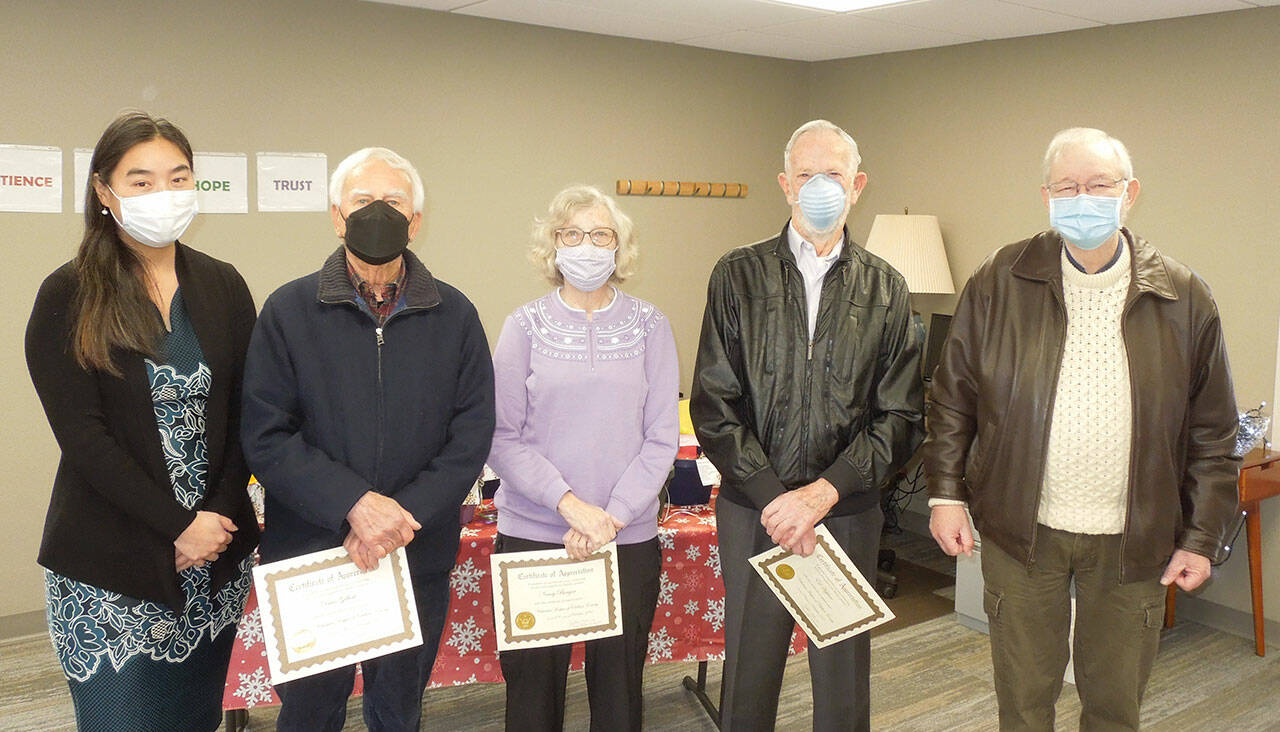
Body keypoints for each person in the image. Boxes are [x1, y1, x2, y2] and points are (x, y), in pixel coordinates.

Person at [923, 127, 1240, 730]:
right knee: (1021, 701)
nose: (1083, 198)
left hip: (1132, 541)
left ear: (1131, 193)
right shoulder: (999, 280)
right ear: (1047, 196)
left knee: (1115, 706)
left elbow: (1212, 435)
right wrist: (945, 495)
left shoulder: (1183, 296)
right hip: (1022, 531)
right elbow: (952, 400)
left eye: (1099, 185)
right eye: (1068, 187)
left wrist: (1201, 536)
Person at [240, 147, 495, 731]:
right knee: (309, 711)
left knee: (399, 708)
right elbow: (266, 432)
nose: (377, 212)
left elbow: (471, 434)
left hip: (415, 548)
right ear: (336, 216)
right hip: (313, 551)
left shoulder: (455, 315)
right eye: (362, 201)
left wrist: (397, 517)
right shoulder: (288, 310)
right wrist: (354, 505)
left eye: (394, 202)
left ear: (416, 222)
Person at [25, 111, 259, 731]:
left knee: (195, 719)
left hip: (212, 559)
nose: (165, 195)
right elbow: (84, 439)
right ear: (104, 192)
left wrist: (214, 523)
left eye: (179, 178)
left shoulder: (222, 284)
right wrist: (176, 527)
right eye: (141, 181)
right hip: (115, 566)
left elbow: (247, 415)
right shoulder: (69, 294)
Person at [690, 119, 925, 731]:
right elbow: (716, 403)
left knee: (843, 682)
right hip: (753, 511)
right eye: (806, 174)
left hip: (844, 511)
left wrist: (821, 494)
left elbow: (900, 415)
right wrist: (777, 500)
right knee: (749, 672)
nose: (819, 186)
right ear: (784, 185)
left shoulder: (887, 288)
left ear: (858, 185)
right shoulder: (737, 275)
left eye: (834, 175)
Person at [487, 185, 679, 731]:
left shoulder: (650, 326)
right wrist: (573, 508)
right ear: (553, 246)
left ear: (620, 248)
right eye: (572, 234)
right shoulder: (522, 326)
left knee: (619, 695)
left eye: (600, 235)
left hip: (627, 537)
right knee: (532, 698)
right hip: (536, 535)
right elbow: (501, 435)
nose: (586, 246)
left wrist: (610, 517)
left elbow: (662, 438)